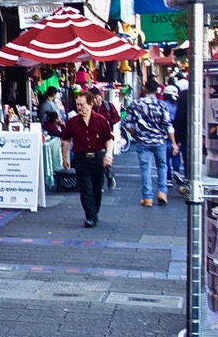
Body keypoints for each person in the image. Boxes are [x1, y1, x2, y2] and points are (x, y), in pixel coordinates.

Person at [60, 91, 115, 227]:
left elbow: (109, 139)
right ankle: (90, 216)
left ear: (90, 104)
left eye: (82, 105)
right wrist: (65, 157)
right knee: (85, 188)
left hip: (97, 157)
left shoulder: (101, 120)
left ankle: (94, 211)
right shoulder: (72, 122)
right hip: (81, 159)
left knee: (97, 187)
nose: (79, 108)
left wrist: (108, 155)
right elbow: (66, 140)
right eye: (77, 105)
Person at [123, 79, 179, 207]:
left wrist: (135, 133)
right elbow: (168, 125)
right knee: (162, 166)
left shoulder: (136, 104)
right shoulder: (162, 105)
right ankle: (162, 192)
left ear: (145, 89)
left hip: (143, 141)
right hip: (159, 140)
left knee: (145, 168)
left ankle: (147, 197)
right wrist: (174, 143)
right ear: (157, 90)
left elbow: (127, 122)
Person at [87, 84, 121, 189]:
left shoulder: (108, 106)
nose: (96, 101)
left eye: (97, 98)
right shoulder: (89, 108)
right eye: (93, 99)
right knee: (96, 161)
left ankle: (109, 176)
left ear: (100, 96)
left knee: (106, 159)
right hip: (93, 138)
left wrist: (108, 122)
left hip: (107, 137)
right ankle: (98, 183)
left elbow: (117, 118)